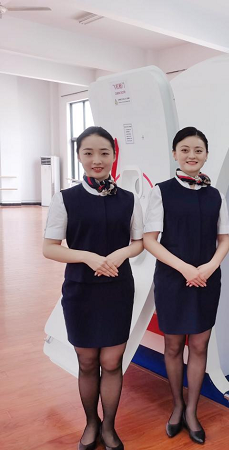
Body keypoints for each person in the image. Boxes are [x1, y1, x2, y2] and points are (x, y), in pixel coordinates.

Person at [43, 126, 144, 450]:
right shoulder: (65, 199)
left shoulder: (130, 199)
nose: (96, 159)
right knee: (87, 362)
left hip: (117, 290)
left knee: (112, 362)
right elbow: (49, 248)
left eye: (104, 153)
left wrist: (121, 253)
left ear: (114, 156)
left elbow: (139, 242)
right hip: (80, 291)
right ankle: (91, 423)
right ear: (79, 156)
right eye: (88, 153)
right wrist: (87, 256)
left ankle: (109, 427)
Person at [143, 126, 229, 445]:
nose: (191, 155)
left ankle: (192, 410)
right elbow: (150, 240)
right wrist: (184, 269)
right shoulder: (161, 191)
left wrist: (208, 267)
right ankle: (177, 405)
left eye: (198, 150)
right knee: (172, 346)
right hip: (172, 279)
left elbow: (224, 240)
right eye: (185, 149)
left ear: (206, 155)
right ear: (174, 154)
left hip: (206, 279)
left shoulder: (216, 195)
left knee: (199, 346)